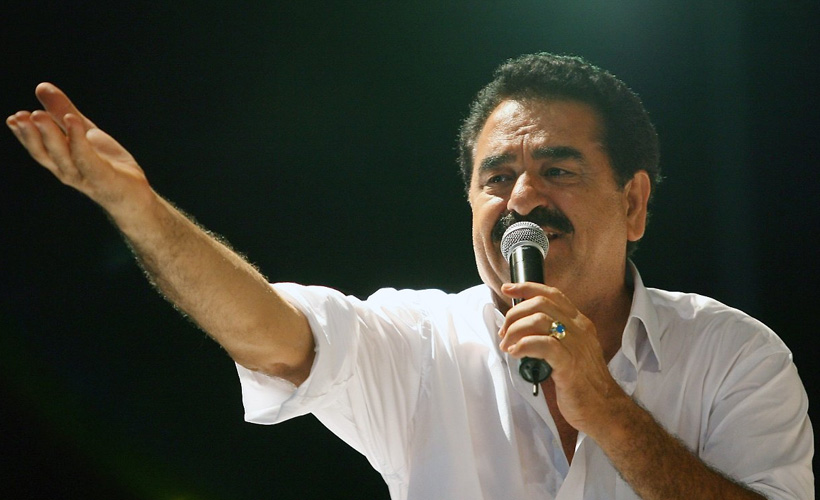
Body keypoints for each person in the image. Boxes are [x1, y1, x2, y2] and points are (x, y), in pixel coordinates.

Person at [7, 53, 812, 499]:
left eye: (557, 170)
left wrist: (603, 406)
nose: (522, 199)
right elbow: (270, 332)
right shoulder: (423, 342)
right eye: (497, 178)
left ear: (633, 204)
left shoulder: (734, 357)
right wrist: (140, 210)